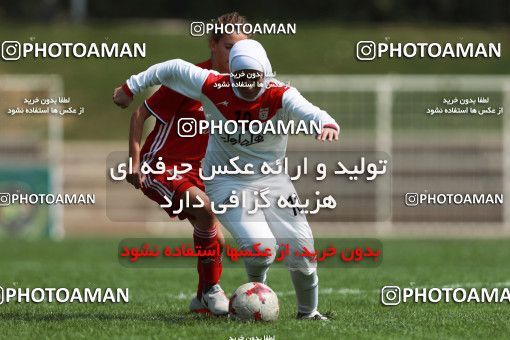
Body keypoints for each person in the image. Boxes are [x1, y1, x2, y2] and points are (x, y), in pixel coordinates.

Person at [113, 39, 339, 320]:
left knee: (302, 250)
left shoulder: (280, 94)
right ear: (232, 73)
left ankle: (309, 313)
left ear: (265, 73)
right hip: (227, 181)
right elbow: (172, 67)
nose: (246, 83)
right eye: (240, 76)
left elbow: (312, 111)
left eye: (253, 77)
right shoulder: (213, 85)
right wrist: (129, 87)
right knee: (261, 250)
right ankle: (255, 300)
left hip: (274, 181)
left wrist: (326, 123)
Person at [113, 12, 249, 315]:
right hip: (160, 166)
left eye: (242, 47)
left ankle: (202, 298)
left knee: (217, 239)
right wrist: (134, 163)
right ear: (212, 44)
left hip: (198, 173)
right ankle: (213, 291)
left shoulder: (240, 88)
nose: (236, 54)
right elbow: (139, 115)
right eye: (229, 46)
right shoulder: (189, 78)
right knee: (206, 212)